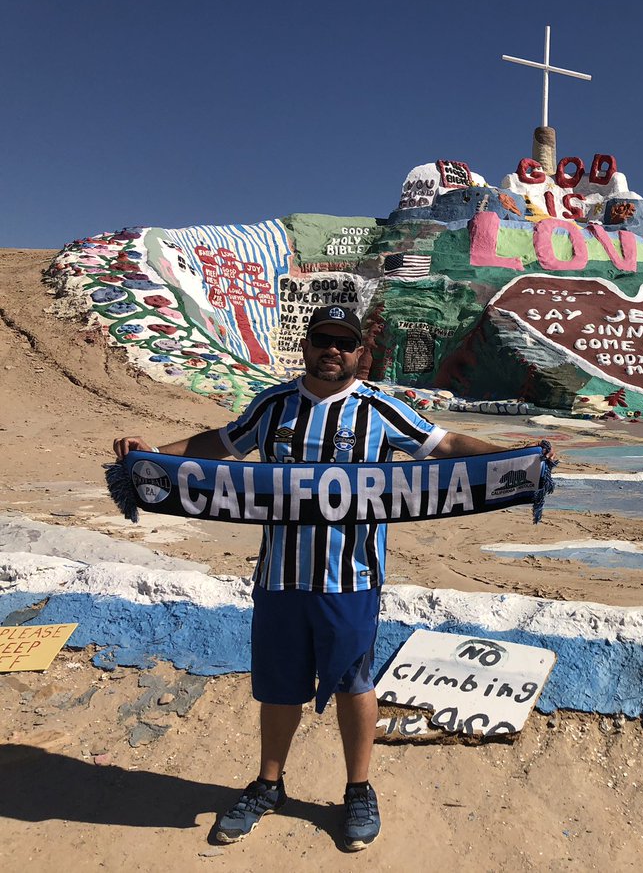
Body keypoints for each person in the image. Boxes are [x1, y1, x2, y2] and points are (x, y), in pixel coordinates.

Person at [113, 305, 554, 851]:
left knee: (354, 683)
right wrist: (153, 455)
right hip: (280, 577)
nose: (333, 351)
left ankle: (357, 790)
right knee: (278, 688)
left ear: (358, 353)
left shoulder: (380, 410)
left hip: (353, 578)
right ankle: (268, 785)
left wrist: (518, 458)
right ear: (307, 346)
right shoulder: (272, 407)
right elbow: (218, 446)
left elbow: (448, 449)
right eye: (323, 340)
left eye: (344, 344)